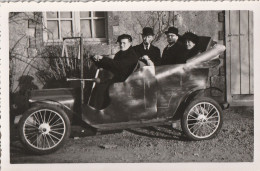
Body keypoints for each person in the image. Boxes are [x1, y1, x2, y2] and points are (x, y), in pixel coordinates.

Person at [90, 34, 139, 109]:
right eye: (120, 43)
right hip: (118, 80)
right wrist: (98, 61)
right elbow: (111, 67)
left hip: (126, 82)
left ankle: (102, 112)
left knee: (102, 89)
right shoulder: (120, 54)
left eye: (124, 43)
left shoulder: (132, 55)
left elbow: (118, 65)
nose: (121, 45)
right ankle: (97, 110)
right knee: (98, 87)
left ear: (130, 43)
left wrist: (103, 59)